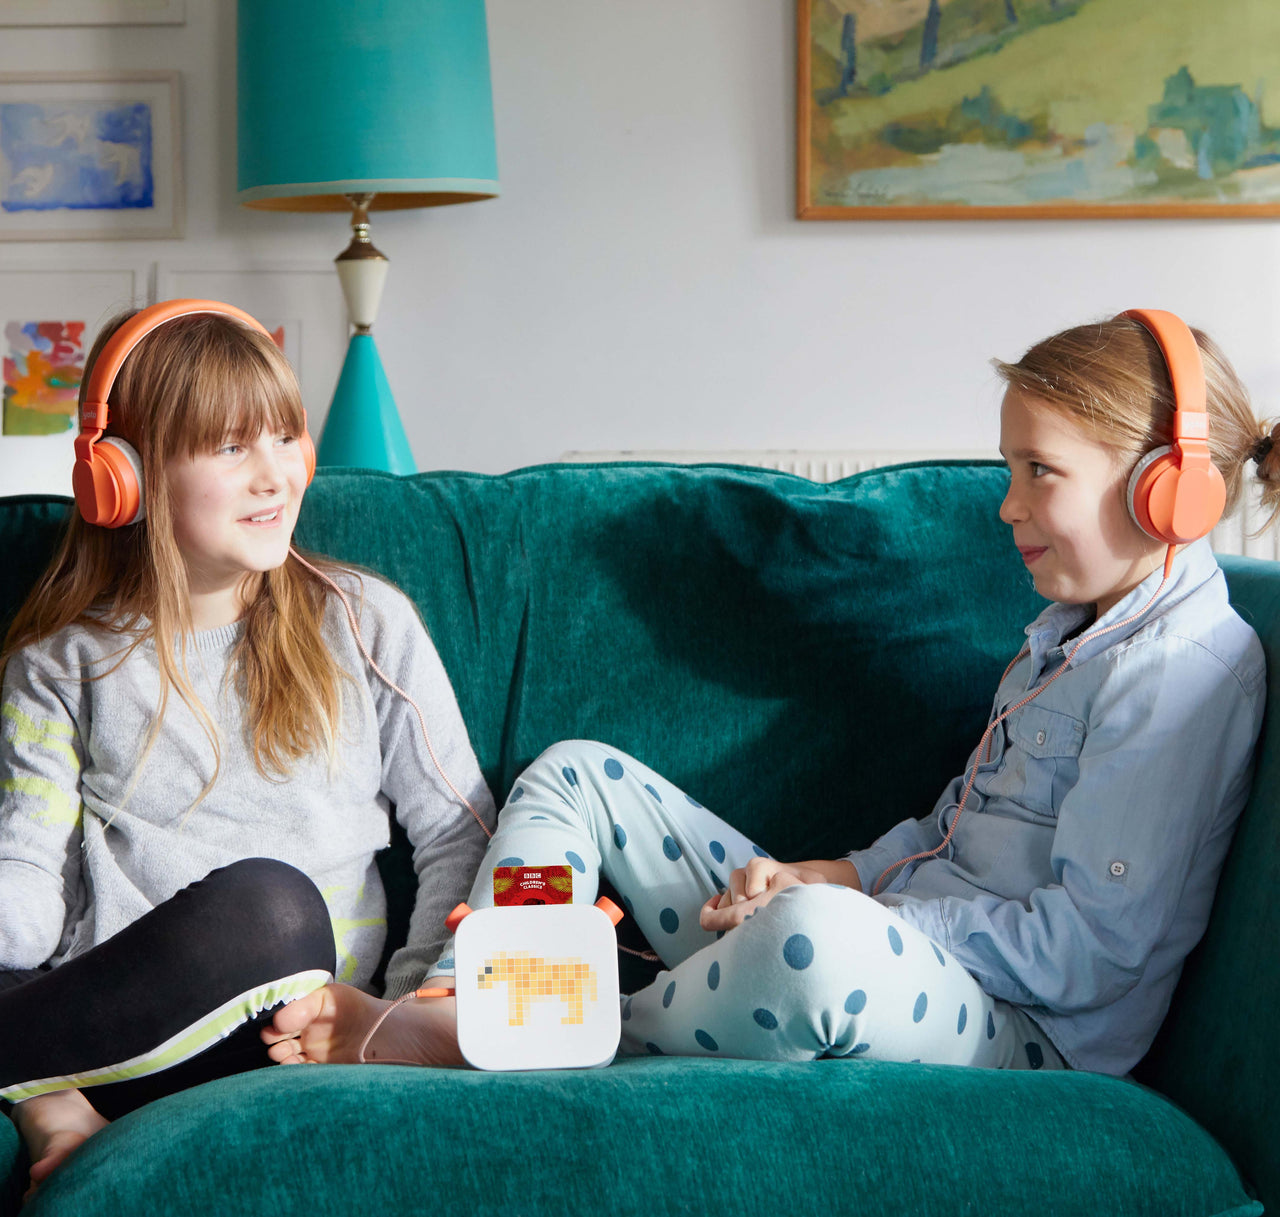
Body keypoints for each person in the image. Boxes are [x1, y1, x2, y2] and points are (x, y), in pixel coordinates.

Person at [263, 308, 1276, 1079]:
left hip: (1022, 1030)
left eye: (1036, 471)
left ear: (1164, 490)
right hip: (904, 938)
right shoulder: (1066, 631)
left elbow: (1084, 953)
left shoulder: (1178, 673)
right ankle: (462, 994)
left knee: (813, 946)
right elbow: (945, 834)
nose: (1006, 505)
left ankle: (548, 1025)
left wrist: (854, 915)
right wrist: (826, 868)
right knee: (578, 774)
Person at [0, 301, 496, 1195]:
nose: (276, 475)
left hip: (305, 1022)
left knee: (274, 906)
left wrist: (405, 1005)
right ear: (125, 476)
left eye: (283, 438)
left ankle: (39, 1094)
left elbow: (460, 833)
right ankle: (50, 1094)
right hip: (121, 1038)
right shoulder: (58, 665)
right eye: (231, 448)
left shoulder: (364, 621)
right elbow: (31, 901)